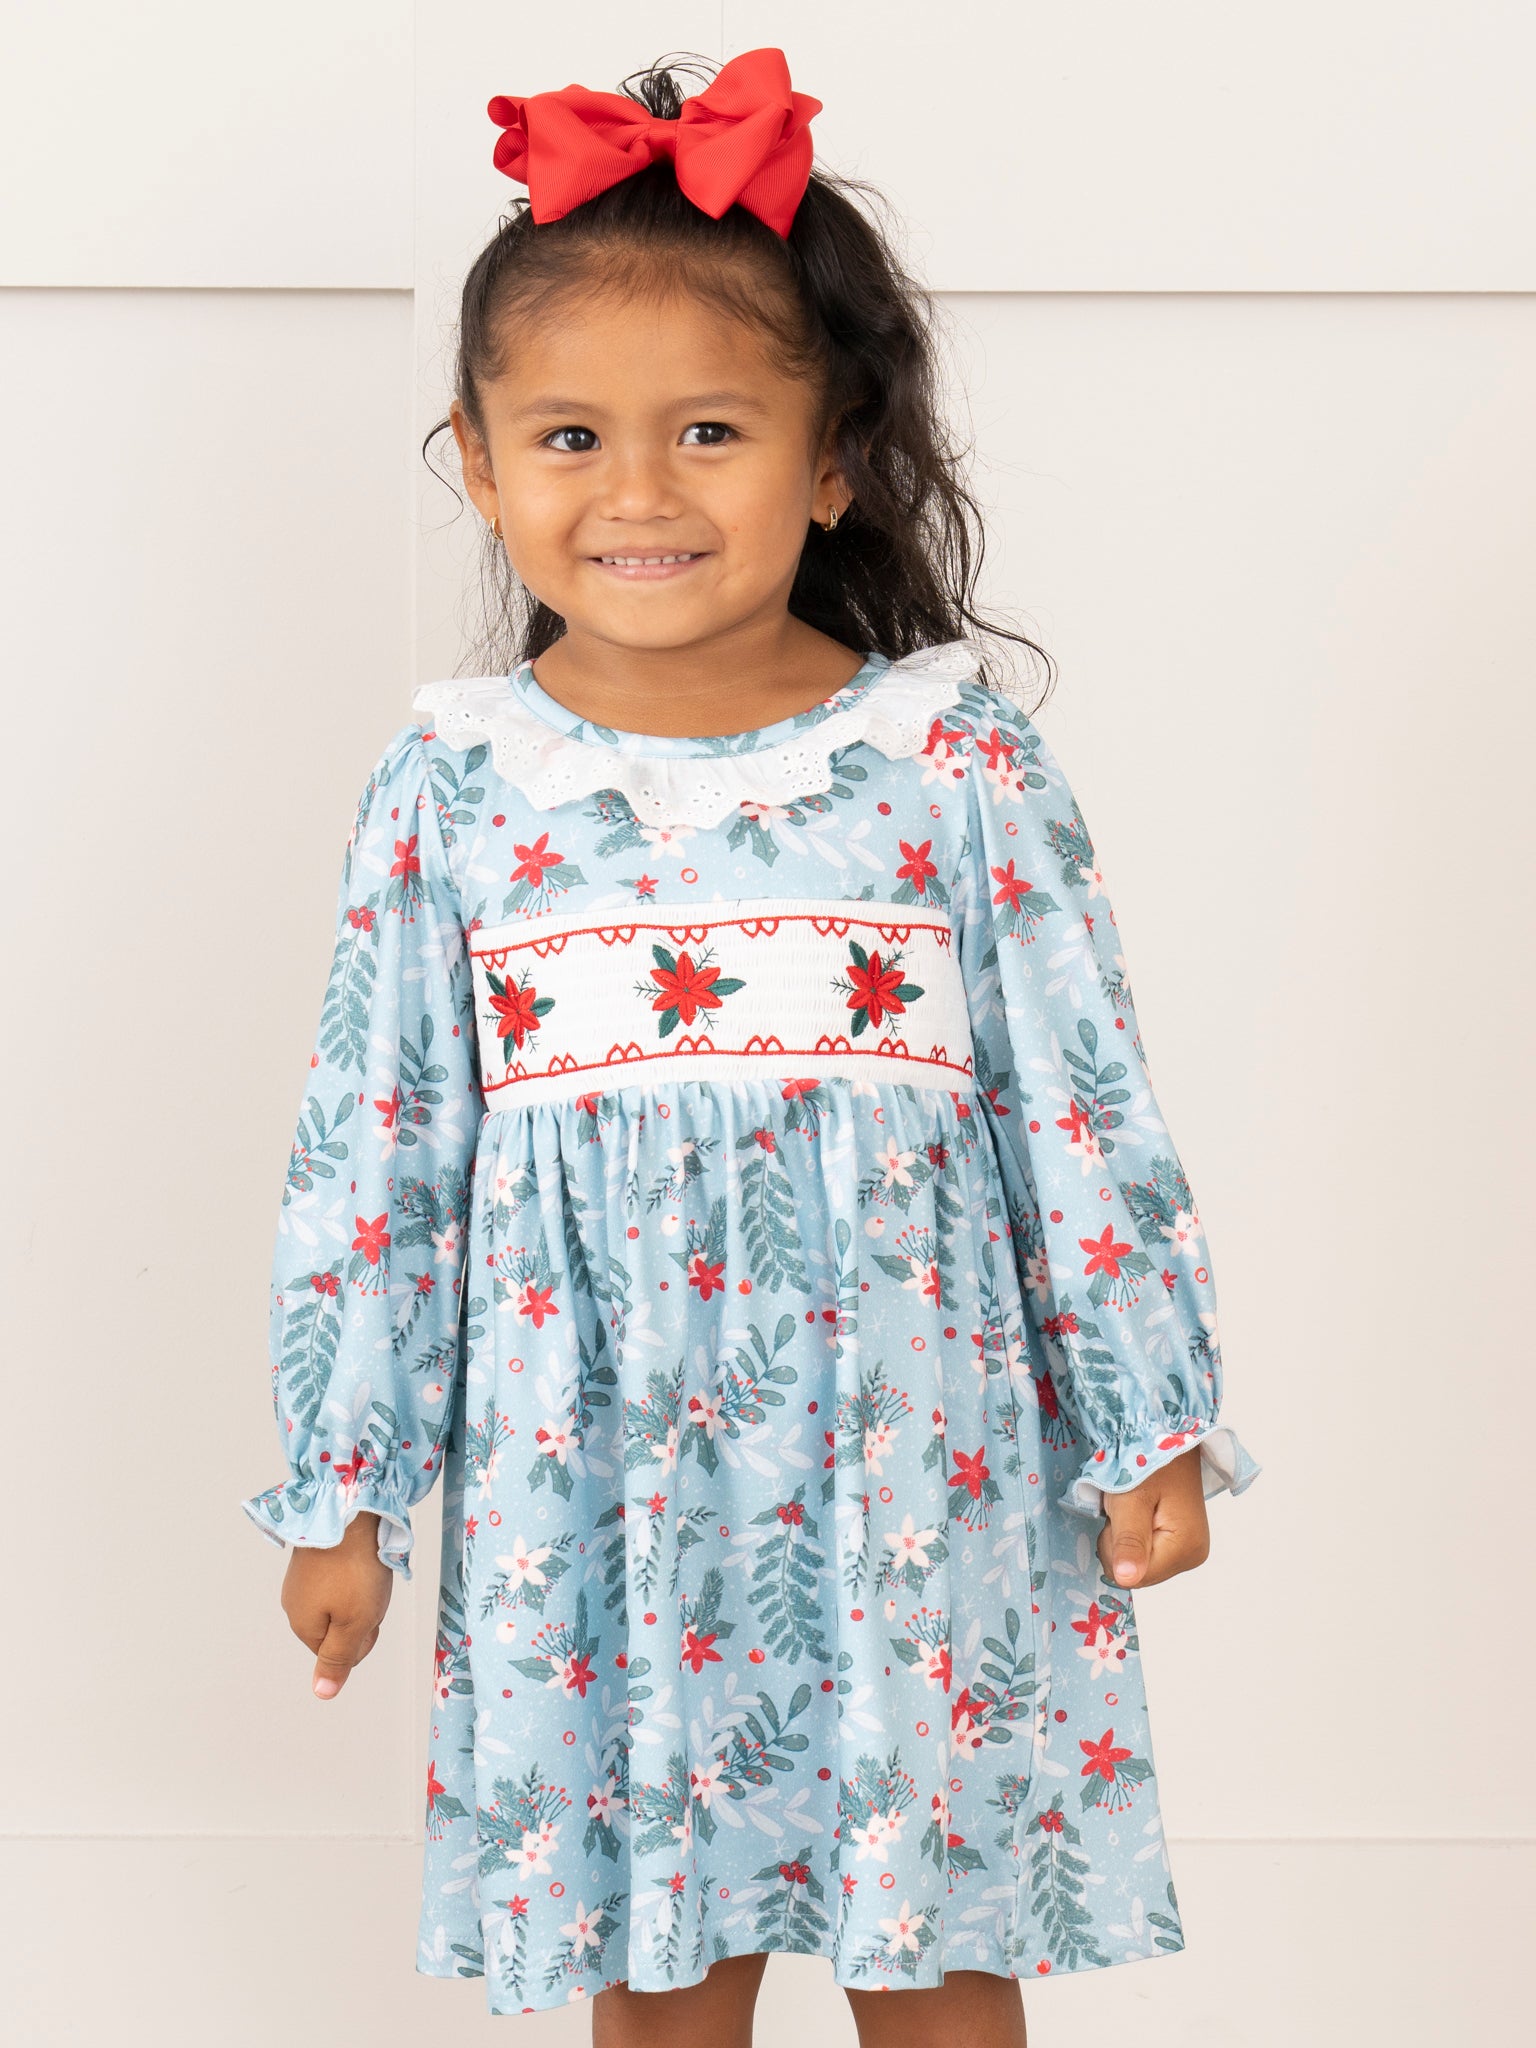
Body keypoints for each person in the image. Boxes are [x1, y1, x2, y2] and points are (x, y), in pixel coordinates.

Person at [239, 45, 1259, 2043]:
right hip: (589, 1488)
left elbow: (1076, 1099)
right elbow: (379, 1151)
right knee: (660, 1951)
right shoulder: (459, 787)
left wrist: (1149, 1406)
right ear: (479, 464)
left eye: (709, 429)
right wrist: (342, 1490)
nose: (637, 492)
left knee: (938, 1942)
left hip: (913, 1478)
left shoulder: (949, 762)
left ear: (832, 458)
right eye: (569, 436)